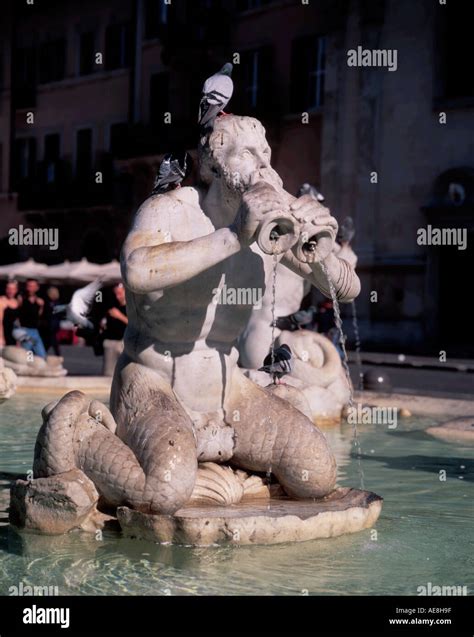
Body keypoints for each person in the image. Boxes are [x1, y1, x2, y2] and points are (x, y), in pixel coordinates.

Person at [17, 279, 47, 359]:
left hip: (35, 331)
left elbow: (39, 316)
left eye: (33, 286)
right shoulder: (21, 298)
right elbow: (16, 315)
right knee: (28, 357)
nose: (30, 288)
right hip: (25, 330)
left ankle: (37, 370)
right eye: (29, 286)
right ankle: (28, 371)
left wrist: (41, 306)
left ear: (37, 288)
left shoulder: (39, 301)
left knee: (42, 356)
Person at [40, 286, 62, 356]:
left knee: (49, 344)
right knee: (51, 344)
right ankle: (58, 358)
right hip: (51, 326)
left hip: (50, 326)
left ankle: (42, 357)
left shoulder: (49, 303)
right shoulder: (56, 303)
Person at [0, 280, 22, 348]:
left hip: (13, 334)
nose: (10, 291)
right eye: (8, 288)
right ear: (6, 289)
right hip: (3, 333)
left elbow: (17, 323)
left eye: (13, 289)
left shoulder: (17, 302)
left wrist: (18, 340)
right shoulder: (2, 301)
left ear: (16, 290)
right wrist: (1, 337)